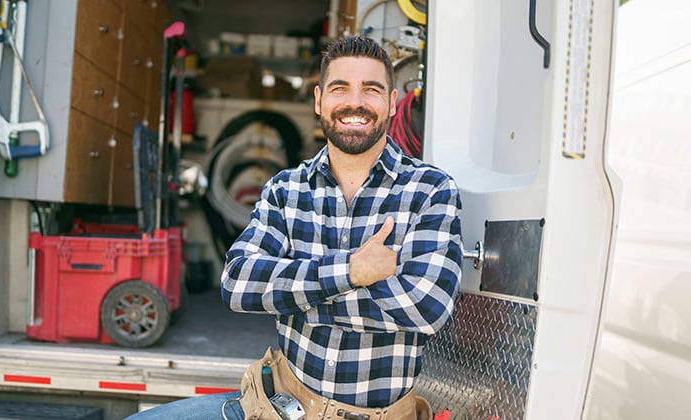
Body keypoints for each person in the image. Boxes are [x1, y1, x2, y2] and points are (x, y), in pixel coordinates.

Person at [128, 34, 462, 420]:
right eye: (341, 88)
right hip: (274, 407)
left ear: (390, 102)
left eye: (371, 89)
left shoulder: (431, 190)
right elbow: (238, 283)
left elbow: (428, 308)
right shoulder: (286, 189)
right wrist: (352, 272)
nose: (355, 102)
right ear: (320, 100)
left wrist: (295, 294)